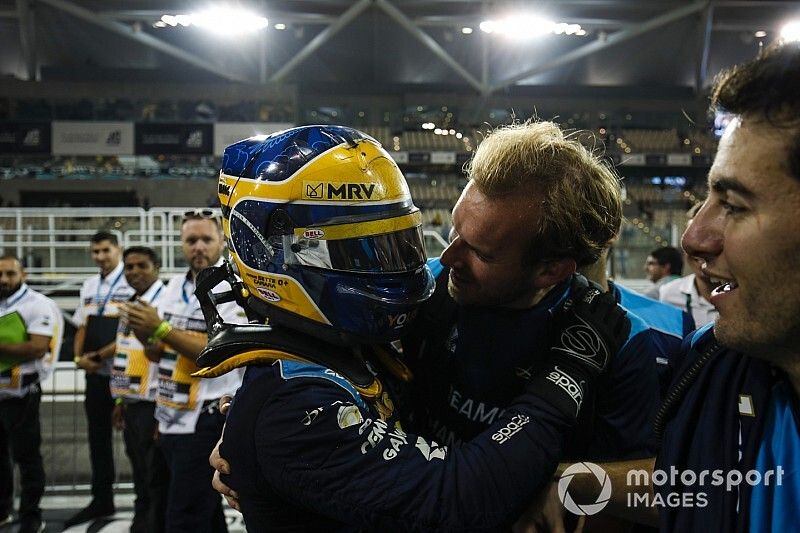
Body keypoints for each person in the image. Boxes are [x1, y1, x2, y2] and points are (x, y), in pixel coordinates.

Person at [196, 124, 632, 530]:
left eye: (397, 243)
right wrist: (567, 377)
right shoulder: (294, 405)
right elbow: (460, 495)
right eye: (363, 254)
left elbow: (688, 484)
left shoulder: (356, 343)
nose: (440, 261)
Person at [544, 40, 800, 532]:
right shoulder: (716, 363)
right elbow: (696, 486)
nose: (694, 238)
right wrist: (568, 480)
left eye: (735, 205)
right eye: (709, 196)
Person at [124, 210, 247, 533]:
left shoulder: (233, 288)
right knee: (186, 509)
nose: (198, 247)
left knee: (185, 517)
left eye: (206, 239)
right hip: (170, 414)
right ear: (181, 244)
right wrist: (142, 330)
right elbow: (156, 353)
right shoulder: (172, 287)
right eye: (191, 240)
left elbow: (218, 354)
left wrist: (161, 329)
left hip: (207, 418)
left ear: (222, 241)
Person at [66, 231, 134, 528]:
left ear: (118, 249)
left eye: (106, 250)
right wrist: (79, 357)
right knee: (98, 440)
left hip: (124, 372)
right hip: (96, 375)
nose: (100, 256)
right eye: (95, 252)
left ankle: (148, 500)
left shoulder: (131, 280)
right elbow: (81, 325)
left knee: (136, 441)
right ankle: (101, 499)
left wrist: (101, 355)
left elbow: (130, 331)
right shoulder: (90, 285)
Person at [0, 255, 63, 533]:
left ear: (22, 274)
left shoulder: (38, 304)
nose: (3, 280)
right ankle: (3, 510)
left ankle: (31, 515)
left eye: (10, 274)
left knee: (27, 458)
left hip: (22, 394)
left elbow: (38, 347)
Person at [110, 246, 169, 533]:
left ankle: (153, 524)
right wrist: (120, 399)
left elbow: (167, 357)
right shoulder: (130, 304)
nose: (134, 272)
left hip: (156, 404)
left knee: (155, 475)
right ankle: (142, 519)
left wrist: (163, 410)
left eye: (141, 266)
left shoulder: (165, 304)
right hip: (133, 401)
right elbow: (124, 353)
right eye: (129, 267)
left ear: (156, 267)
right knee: (139, 471)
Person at [658, 203, 719, 327]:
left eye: (709, 237)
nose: (699, 248)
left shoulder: (743, 297)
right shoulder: (669, 294)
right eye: (692, 237)